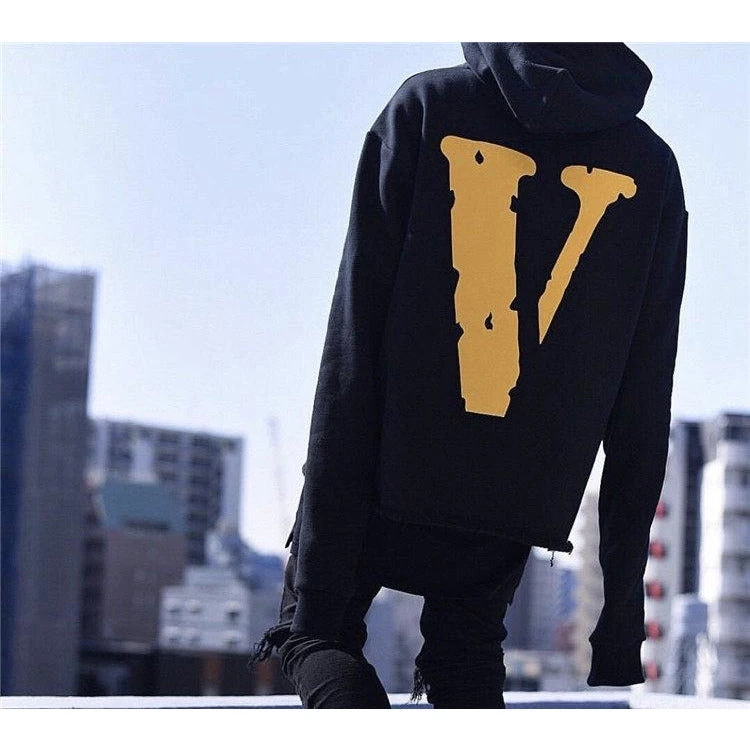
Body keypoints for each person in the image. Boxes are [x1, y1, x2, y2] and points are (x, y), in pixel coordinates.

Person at [248, 42, 688, 708]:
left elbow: (353, 339)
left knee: (318, 638)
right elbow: (644, 401)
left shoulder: (428, 106)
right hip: (510, 501)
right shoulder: (651, 167)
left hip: (378, 469)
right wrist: (619, 619)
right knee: (467, 655)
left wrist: (325, 532)